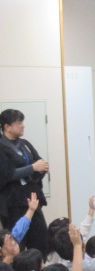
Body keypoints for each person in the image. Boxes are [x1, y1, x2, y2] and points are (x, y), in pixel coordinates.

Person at [0, 109, 49, 255]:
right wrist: (33, 167)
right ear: (7, 127)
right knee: (17, 243)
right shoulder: (2, 146)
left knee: (41, 241)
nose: (23, 126)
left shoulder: (25, 144)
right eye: (19, 123)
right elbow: (8, 174)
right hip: (13, 202)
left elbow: (39, 162)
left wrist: (40, 169)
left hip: (33, 197)